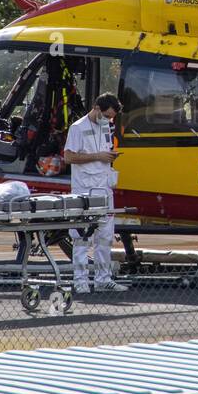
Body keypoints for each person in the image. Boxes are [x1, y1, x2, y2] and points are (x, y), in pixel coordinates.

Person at [62, 93, 126, 293]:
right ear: (96, 108)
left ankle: (103, 278)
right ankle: (80, 281)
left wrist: (109, 156)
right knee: (82, 236)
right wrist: (97, 156)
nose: (108, 119)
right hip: (85, 189)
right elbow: (69, 157)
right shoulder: (78, 128)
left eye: (111, 117)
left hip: (104, 187)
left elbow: (104, 150)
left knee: (105, 236)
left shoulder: (107, 127)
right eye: (106, 115)